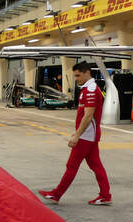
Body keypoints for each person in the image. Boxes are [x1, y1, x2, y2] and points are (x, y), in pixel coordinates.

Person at [39, 61, 112, 206]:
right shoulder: (87, 88)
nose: (76, 78)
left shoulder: (91, 90)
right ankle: (105, 195)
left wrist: (77, 135)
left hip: (86, 136)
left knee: (71, 165)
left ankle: (56, 194)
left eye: (78, 75)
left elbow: (88, 116)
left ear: (87, 72)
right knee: (96, 166)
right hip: (90, 135)